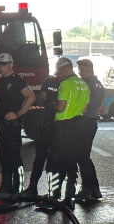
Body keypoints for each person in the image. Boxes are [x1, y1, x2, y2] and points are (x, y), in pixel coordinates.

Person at [44, 57, 90, 210]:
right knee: (71, 164)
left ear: (64, 69)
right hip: (79, 128)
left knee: (53, 164)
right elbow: (85, 109)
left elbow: (61, 108)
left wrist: (50, 104)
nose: (58, 76)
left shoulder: (65, 84)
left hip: (63, 128)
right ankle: (69, 199)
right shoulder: (84, 85)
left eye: (58, 72)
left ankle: (52, 198)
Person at [0, 53, 36, 193]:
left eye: (3, 64)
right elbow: (1, 100)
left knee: (14, 158)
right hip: (1, 125)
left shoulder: (16, 80)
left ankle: (18, 188)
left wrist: (18, 113)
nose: (1, 67)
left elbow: (31, 97)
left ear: (11, 64)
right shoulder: (2, 80)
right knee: (3, 158)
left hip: (12, 126)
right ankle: (5, 188)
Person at [21, 75, 59, 196]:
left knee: (54, 161)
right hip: (46, 123)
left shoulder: (66, 83)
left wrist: (48, 100)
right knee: (39, 158)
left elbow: (60, 105)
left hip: (59, 126)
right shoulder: (49, 81)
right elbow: (40, 99)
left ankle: (52, 193)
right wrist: (50, 102)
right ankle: (32, 188)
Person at [76, 59, 105, 202]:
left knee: (81, 157)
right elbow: (102, 108)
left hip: (83, 121)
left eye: (80, 69)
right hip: (92, 121)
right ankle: (94, 188)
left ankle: (86, 190)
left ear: (87, 68)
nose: (79, 72)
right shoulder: (99, 84)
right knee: (85, 157)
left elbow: (85, 104)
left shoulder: (85, 84)